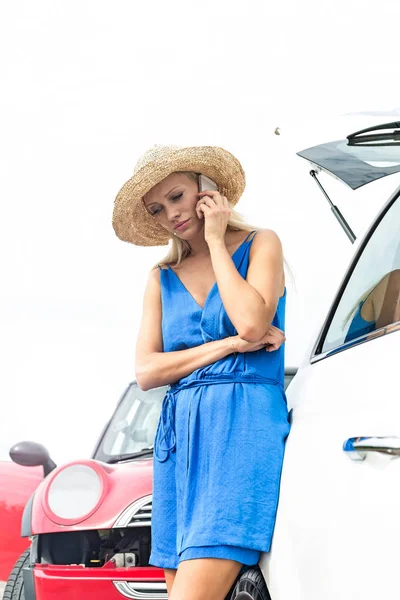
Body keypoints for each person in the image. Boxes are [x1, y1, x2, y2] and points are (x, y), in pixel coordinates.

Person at [112, 144, 291, 600]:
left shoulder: (260, 244)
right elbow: (148, 371)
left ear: (205, 190)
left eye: (176, 196)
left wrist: (214, 241)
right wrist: (230, 344)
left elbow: (252, 320)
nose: (170, 213)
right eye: (157, 208)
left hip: (242, 424)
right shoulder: (161, 276)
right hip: (179, 441)